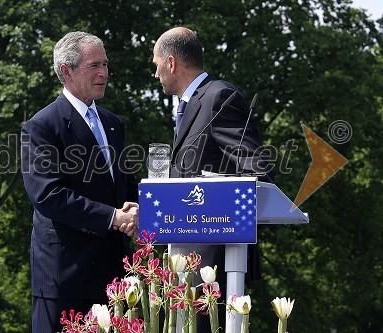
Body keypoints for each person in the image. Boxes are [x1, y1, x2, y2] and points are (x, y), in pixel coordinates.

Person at [152, 27, 273, 331]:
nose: (155, 74)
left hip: (215, 260)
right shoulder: (191, 104)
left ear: (171, 62)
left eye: (155, 64)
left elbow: (257, 167)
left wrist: (210, 186)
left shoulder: (219, 96)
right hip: (183, 256)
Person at [21, 31, 139, 332]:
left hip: (115, 278)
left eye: (105, 64)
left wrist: (144, 208)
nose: (104, 73)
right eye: (94, 66)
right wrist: (114, 217)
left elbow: (125, 186)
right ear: (66, 71)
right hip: (65, 279)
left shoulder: (113, 124)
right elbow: (49, 195)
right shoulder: (42, 126)